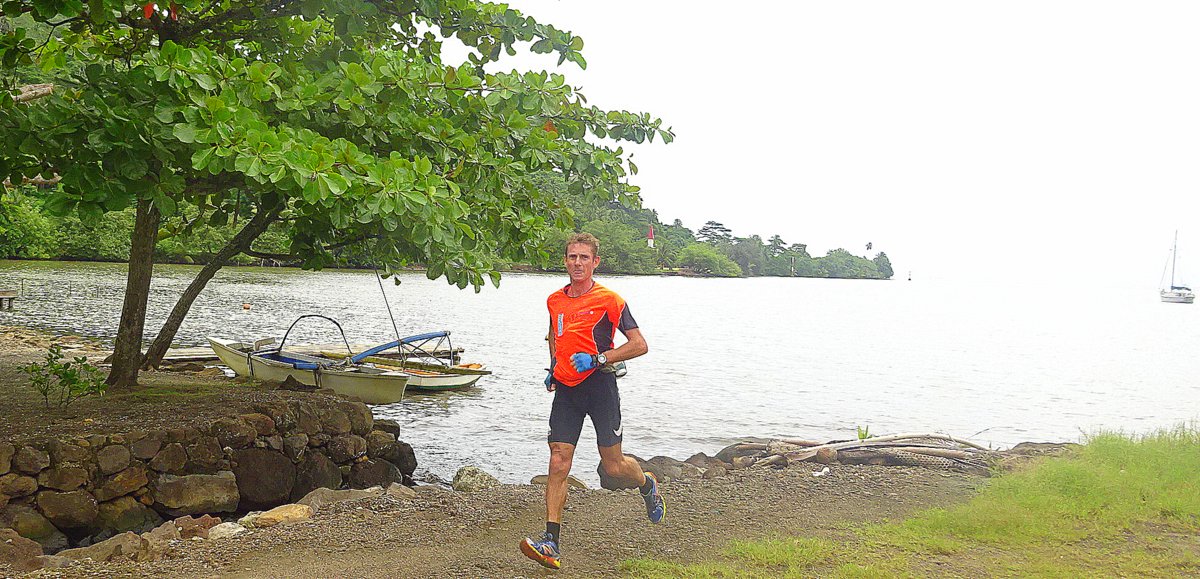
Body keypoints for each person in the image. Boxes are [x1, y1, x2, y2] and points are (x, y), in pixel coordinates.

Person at [520, 232, 665, 570]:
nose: (578, 263)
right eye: (572, 257)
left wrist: (601, 359)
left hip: (600, 386)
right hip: (568, 390)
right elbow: (554, 336)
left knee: (613, 466)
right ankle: (551, 542)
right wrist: (554, 368)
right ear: (565, 260)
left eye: (584, 257)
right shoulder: (555, 300)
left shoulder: (611, 300)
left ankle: (647, 483)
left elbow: (639, 344)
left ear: (595, 262)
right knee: (558, 460)